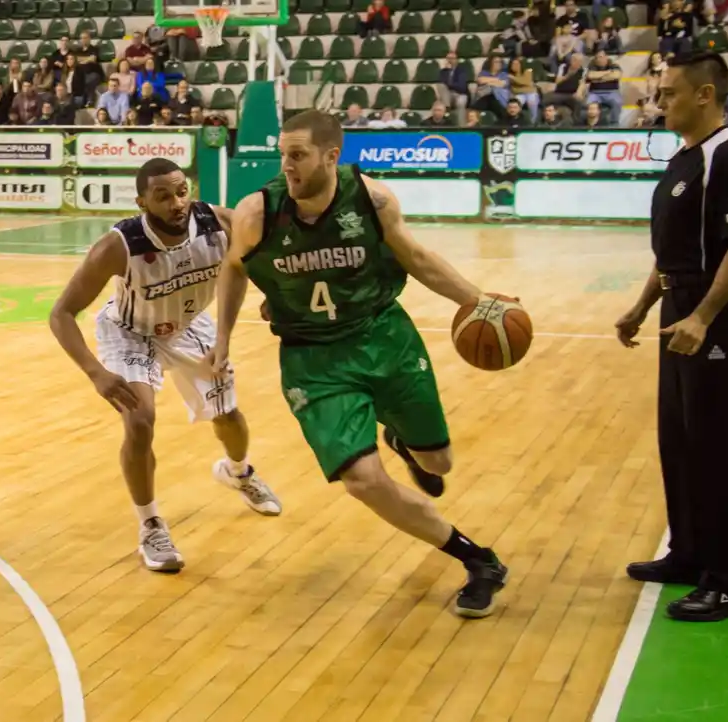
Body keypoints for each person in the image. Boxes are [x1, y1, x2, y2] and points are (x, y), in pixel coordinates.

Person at [217, 110, 510, 618]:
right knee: (363, 481)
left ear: (333, 156)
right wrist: (221, 341)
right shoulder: (256, 213)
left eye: (299, 155)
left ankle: (402, 438)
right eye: (283, 154)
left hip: (383, 338)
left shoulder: (372, 200)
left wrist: (479, 301)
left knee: (438, 463)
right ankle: (478, 559)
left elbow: (417, 259)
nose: (287, 166)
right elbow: (234, 268)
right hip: (313, 359)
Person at [49, 158, 281, 572]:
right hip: (130, 330)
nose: (176, 203)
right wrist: (96, 372)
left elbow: (252, 262)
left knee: (228, 415)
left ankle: (238, 472)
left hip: (189, 326)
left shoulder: (218, 224)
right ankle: (151, 524)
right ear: (142, 202)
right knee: (140, 422)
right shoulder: (118, 245)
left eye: (181, 191)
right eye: (163, 196)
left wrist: (273, 295)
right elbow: (62, 313)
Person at [616, 53, 728, 622]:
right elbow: (669, 254)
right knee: (679, 438)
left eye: (669, 93)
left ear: (705, 94)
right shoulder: (683, 160)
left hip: (716, 313)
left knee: (713, 447)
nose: (659, 102)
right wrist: (643, 305)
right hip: (678, 304)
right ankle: (690, 554)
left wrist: (703, 317)